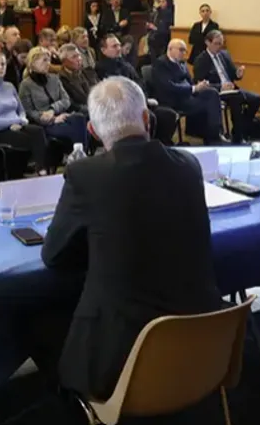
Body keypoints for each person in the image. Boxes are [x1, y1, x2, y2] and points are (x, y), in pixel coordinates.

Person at [38, 77, 221, 401]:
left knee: (40, 319)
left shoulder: (85, 175)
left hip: (121, 363)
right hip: (204, 349)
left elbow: (54, 256)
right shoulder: (188, 166)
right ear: (147, 119)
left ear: (92, 132)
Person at [94, 34, 178, 144]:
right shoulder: (101, 68)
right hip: (121, 109)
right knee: (150, 118)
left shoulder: (125, 65)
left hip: (140, 104)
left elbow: (140, 83)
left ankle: (161, 146)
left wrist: (144, 99)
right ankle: (146, 149)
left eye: (119, 45)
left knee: (168, 115)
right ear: (103, 50)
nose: (119, 49)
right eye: (114, 46)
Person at [0, 52, 51, 175]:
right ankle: (25, 170)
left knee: (38, 131)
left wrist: (21, 121)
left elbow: (21, 110)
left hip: (17, 125)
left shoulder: (9, 86)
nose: (0, 67)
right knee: (26, 139)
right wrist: (14, 121)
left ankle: (42, 169)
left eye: (3, 64)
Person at [193, 30, 260, 143]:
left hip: (232, 89)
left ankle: (241, 128)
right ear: (207, 42)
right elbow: (200, 83)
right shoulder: (201, 60)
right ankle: (238, 136)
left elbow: (232, 74)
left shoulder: (224, 54)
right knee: (236, 100)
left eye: (221, 43)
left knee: (257, 99)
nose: (219, 47)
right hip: (216, 93)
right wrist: (221, 86)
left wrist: (238, 73)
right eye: (216, 43)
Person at [152, 39, 224, 144]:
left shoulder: (182, 63)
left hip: (187, 95)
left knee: (212, 93)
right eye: (181, 50)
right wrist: (194, 89)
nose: (183, 53)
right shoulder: (161, 64)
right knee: (209, 103)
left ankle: (214, 134)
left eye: (185, 51)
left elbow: (190, 81)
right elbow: (169, 87)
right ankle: (212, 138)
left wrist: (199, 86)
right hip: (174, 99)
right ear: (170, 49)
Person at [18, 47, 89, 148]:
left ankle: (80, 154)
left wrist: (53, 109)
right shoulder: (26, 85)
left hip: (62, 115)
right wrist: (52, 119)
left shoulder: (54, 78)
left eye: (49, 60)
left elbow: (66, 100)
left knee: (80, 118)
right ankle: (80, 155)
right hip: (44, 123)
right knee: (77, 129)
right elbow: (28, 111)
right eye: (44, 60)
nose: (48, 63)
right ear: (33, 63)